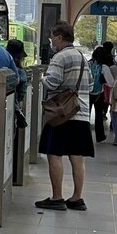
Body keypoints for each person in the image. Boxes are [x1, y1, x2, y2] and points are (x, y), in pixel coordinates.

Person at [36, 22, 94, 211]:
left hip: (62, 115)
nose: (51, 40)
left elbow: (52, 83)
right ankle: (77, 198)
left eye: (52, 36)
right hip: (81, 112)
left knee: (55, 154)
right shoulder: (82, 57)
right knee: (77, 157)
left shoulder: (60, 57)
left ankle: (57, 197)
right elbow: (91, 85)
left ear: (60, 37)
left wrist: (43, 77)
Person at [89, 47, 109, 142]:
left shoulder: (88, 64)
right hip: (98, 94)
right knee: (98, 116)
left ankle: (84, 136)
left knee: (85, 116)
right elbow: (111, 82)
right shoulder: (104, 67)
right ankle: (100, 136)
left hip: (87, 93)